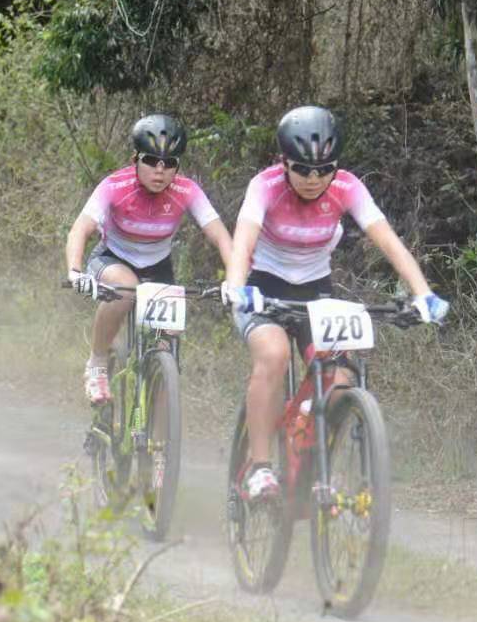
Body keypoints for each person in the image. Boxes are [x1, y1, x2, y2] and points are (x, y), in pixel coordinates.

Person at [221, 105, 449, 501]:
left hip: (315, 291)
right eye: (303, 169)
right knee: (274, 356)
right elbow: (244, 238)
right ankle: (259, 467)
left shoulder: (347, 187)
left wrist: (423, 293)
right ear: (283, 162)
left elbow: (388, 241)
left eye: (324, 169)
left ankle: (308, 451)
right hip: (263, 287)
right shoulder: (265, 186)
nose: (314, 179)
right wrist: (237, 284)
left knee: (341, 380)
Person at [63, 114, 234, 403]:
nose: (160, 170)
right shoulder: (114, 186)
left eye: (169, 163)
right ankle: (97, 364)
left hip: (157, 267)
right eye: (151, 160)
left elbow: (219, 235)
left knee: (167, 351)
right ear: (135, 159)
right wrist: (75, 272)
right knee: (124, 289)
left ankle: (158, 440)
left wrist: (234, 278)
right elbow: (80, 229)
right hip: (112, 258)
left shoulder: (186, 190)